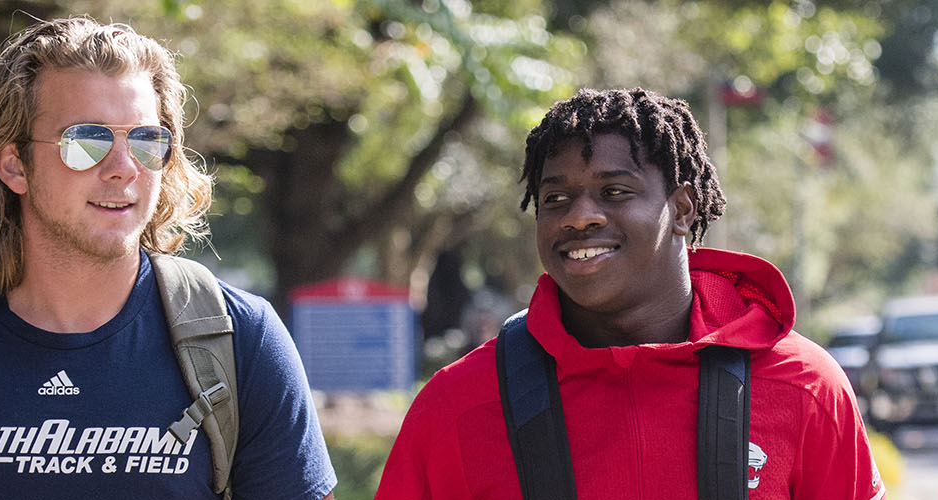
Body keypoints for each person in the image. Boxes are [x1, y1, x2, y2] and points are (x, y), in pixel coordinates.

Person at [0, 18, 336, 499]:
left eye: (147, 139)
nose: (124, 167)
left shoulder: (241, 340)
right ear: (13, 165)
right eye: (87, 140)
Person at [375, 88, 884, 499]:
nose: (579, 215)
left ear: (682, 209)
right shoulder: (457, 404)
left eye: (615, 191)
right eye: (555, 198)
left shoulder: (805, 387)